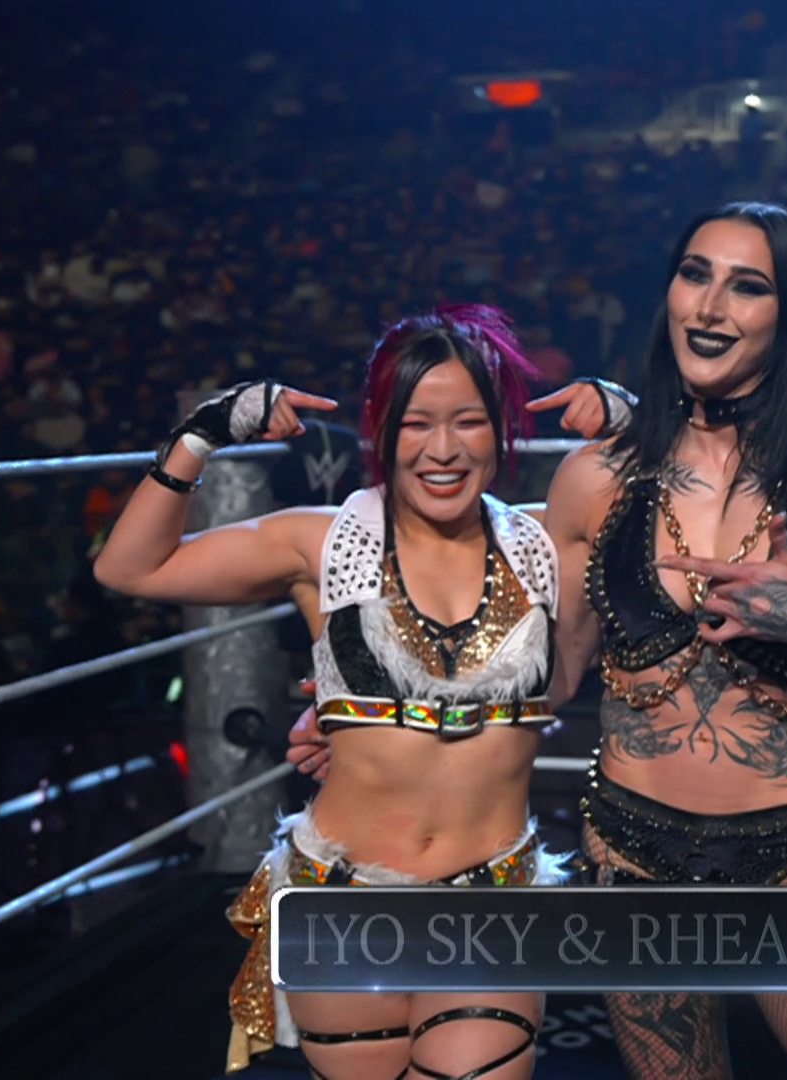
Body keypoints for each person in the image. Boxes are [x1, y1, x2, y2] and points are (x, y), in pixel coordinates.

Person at [93, 304, 570, 1080]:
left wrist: (629, 417)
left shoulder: (546, 540)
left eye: (469, 422)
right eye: (416, 424)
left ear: (502, 428)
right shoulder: (321, 541)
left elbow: (678, 518)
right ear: (380, 429)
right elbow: (129, 568)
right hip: (341, 902)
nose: (443, 449)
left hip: (494, 901)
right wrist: (201, 435)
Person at [541, 201, 787, 1080]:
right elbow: (548, 678)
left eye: (747, 286)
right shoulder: (594, 477)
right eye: (695, 274)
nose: (711, 306)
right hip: (632, 865)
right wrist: (374, 709)